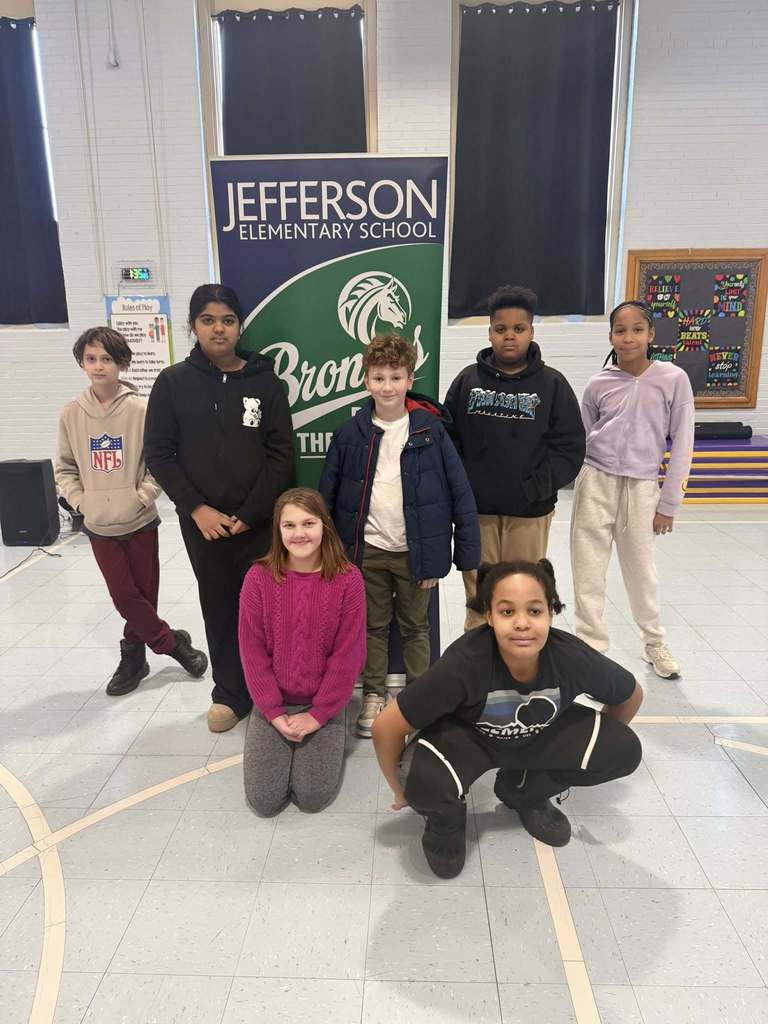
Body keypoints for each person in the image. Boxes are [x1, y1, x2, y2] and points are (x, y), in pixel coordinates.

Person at [372, 559, 643, 879]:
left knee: (623, 750)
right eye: (507, 611)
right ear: (488, 615)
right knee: (420, 781)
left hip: (539, 736)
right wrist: (399, 790)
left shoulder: (571, 657)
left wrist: (573, 756)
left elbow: (631, 696)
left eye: (534, 611)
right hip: (470, 740)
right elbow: (386, 726)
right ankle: (446, 822)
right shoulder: (465, 663)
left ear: (551, 612)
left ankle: (527, 791)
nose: (522, 623)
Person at [144, 284, 295, 732]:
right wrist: (197, 509)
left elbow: (281, 455)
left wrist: (250, 514)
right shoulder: (173, 383)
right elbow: (159, 453)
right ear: (193, 326)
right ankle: (230, 693)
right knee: (219, 606)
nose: (218, 328)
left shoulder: (265, 382)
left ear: (239, 325)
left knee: (270, 609)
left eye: (227, 319)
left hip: (259, 522)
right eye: (208, 320)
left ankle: (275, 688)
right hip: (203, 526)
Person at [320, 333, 480, 738]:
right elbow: (328, 496)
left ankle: (418, 698)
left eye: (395, 376)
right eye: (378, 377)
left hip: (416, 554)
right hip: (367, 551)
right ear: (365, 381)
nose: (387, 386)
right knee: (372, 626)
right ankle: (373, 694)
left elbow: (459, 493)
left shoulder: (431, 431)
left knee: (415, 628)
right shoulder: (350, 433)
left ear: (410, 379)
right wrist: (332, 554)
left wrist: (460, 556)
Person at [55, 327, 208, 696]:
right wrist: (82, 502)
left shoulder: (141, 409)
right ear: (81, 363)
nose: (98, 366)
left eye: (106, 358)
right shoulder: (71, 414)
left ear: (121, 363)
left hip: (140, 520)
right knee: (124, 595)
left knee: (144, 593)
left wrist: (142, 496)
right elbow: (64, 469)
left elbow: (159, 460)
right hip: (99, 525)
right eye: (91, 358)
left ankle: (134, 658)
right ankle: (171, 644)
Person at [444, 285, 585, 630]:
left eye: (518, 329)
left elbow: (570, 446)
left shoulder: (552, 384)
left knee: (522, 594)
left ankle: (520, 665)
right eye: (501, 329)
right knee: (481, 596)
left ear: (531, 332)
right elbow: (449, 440)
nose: (510, 337)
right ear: (490, 332)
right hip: (477, 512)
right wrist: (464, 487)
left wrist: (538, 486)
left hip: (529, 512)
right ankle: (477, 667)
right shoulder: (467, 381)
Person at [570, 300, 695, 679]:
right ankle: (590, 649)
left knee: (642, 572)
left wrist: (669, 503)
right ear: (610, 336)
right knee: (588, 571)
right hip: (596, 482)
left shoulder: (673, 379)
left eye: (637, 329)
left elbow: (683, 444)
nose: (628, 337)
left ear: (650, 334)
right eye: (620, 331)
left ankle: (654, 642)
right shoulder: (598, 383)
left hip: (642, 489)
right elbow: (583, 435)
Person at [239, 488, 366, 815]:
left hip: (324, 701)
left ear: (324, 525)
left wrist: (319, 714)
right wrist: (272, 711)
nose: (299, 534)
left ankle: (329, 721)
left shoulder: (348, 580)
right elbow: (252, 653)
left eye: (308, 523)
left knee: (312, 798)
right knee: (264, 801)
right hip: (275, 700)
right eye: (289, 525)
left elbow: (348, 656)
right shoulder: (258, 579)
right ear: (278, 531)